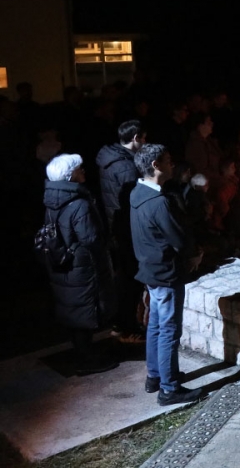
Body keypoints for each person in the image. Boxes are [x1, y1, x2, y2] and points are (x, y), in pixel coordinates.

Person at [130, 144, 203, 405]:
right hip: (166, 272)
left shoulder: (138, 193)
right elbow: (179, 239)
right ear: (155, 165)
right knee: (169, 331)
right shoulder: (159, 203)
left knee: (157, 326)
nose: (173, 164)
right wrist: (194, 254)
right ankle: (169, 388)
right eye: (168, 160)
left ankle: (155, 376)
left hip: (151, 270)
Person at [42, 153, 118, 375]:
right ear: (69, 175)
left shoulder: (52, 199)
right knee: (86, 311)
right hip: (83, 267)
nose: (83, 171)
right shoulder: (79, 203)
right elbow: (91, 238)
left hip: (63, 264)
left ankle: (83, 354)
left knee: (74, 311)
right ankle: (88, 360)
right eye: (79, 169)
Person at [95, 119, 146, 343]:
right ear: (135, 138)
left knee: (123, 277)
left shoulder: (110, 158)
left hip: (115, 227)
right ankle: (126, 326)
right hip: (127, 231)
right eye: (143, 138)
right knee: (130, 279)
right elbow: (132, 203)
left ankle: (122, 324)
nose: (145, 143)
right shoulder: (126, 166)